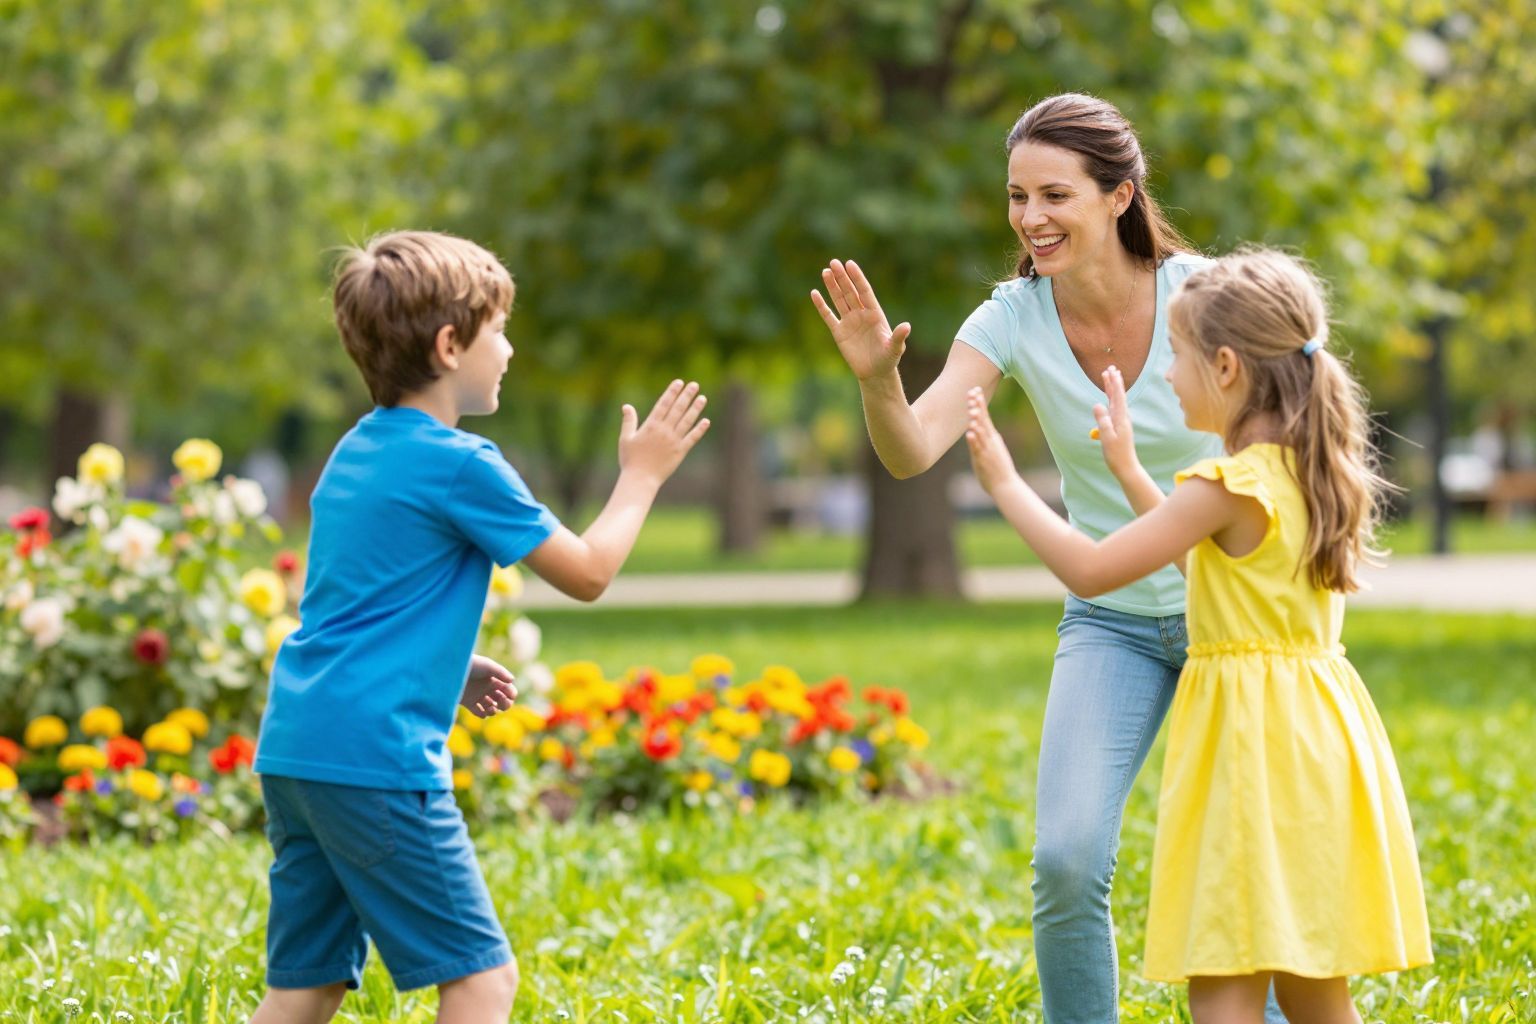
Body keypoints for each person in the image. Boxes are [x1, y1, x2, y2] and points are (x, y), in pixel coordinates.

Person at [812, 93, 1278, 1022]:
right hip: (1110, 620)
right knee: (1066, 858)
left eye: (1055, 194)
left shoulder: (1208, 296)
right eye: (1018, 196)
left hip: (1233, 622)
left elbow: (1287, 440)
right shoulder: (1012, 317)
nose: (1031, 218)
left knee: (1241, 868)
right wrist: (876, 381)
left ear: (1120, 196)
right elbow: (913, 449)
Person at [250, 230, 710, 1023]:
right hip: (377, 759)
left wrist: (444, 669)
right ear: (450, 344)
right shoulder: (464, 463)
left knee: (306, 985)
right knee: (481, 981)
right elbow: (589, 573)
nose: (509, 346)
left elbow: (352, 602)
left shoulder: (353, 453)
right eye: (498, 328)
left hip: (299, 748)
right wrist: (641, 476)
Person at [963, 247, 1432, 1023]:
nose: (1167, 378)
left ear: (1223, 367)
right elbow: (1209, 568)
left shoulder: (1223, 484)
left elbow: (1090, 569)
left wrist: (1006, 485)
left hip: (1250, 757)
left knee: (1224, 980)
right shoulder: (1302, 470)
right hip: (1318, 746)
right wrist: (1129, 471)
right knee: (1315, 989)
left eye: (1176, 360)